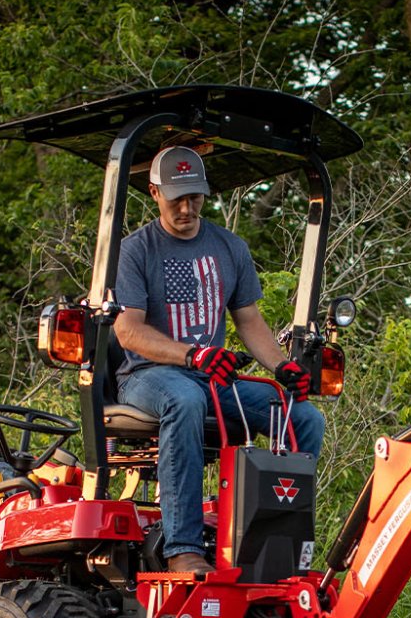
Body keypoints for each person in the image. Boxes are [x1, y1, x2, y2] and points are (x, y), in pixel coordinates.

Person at [113, 145, 325, 574]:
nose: (187, 208)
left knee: (303, 417)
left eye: (195, 197)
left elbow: (248, 320)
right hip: (148, 378)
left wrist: (283, 368)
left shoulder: (229, 247)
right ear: (154, 193)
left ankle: (274, 544)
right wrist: (193, 354)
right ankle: (182, 548)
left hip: (211, 379)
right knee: (184, 401)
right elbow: (128, 330)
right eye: (177, 198)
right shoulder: (136, 250)